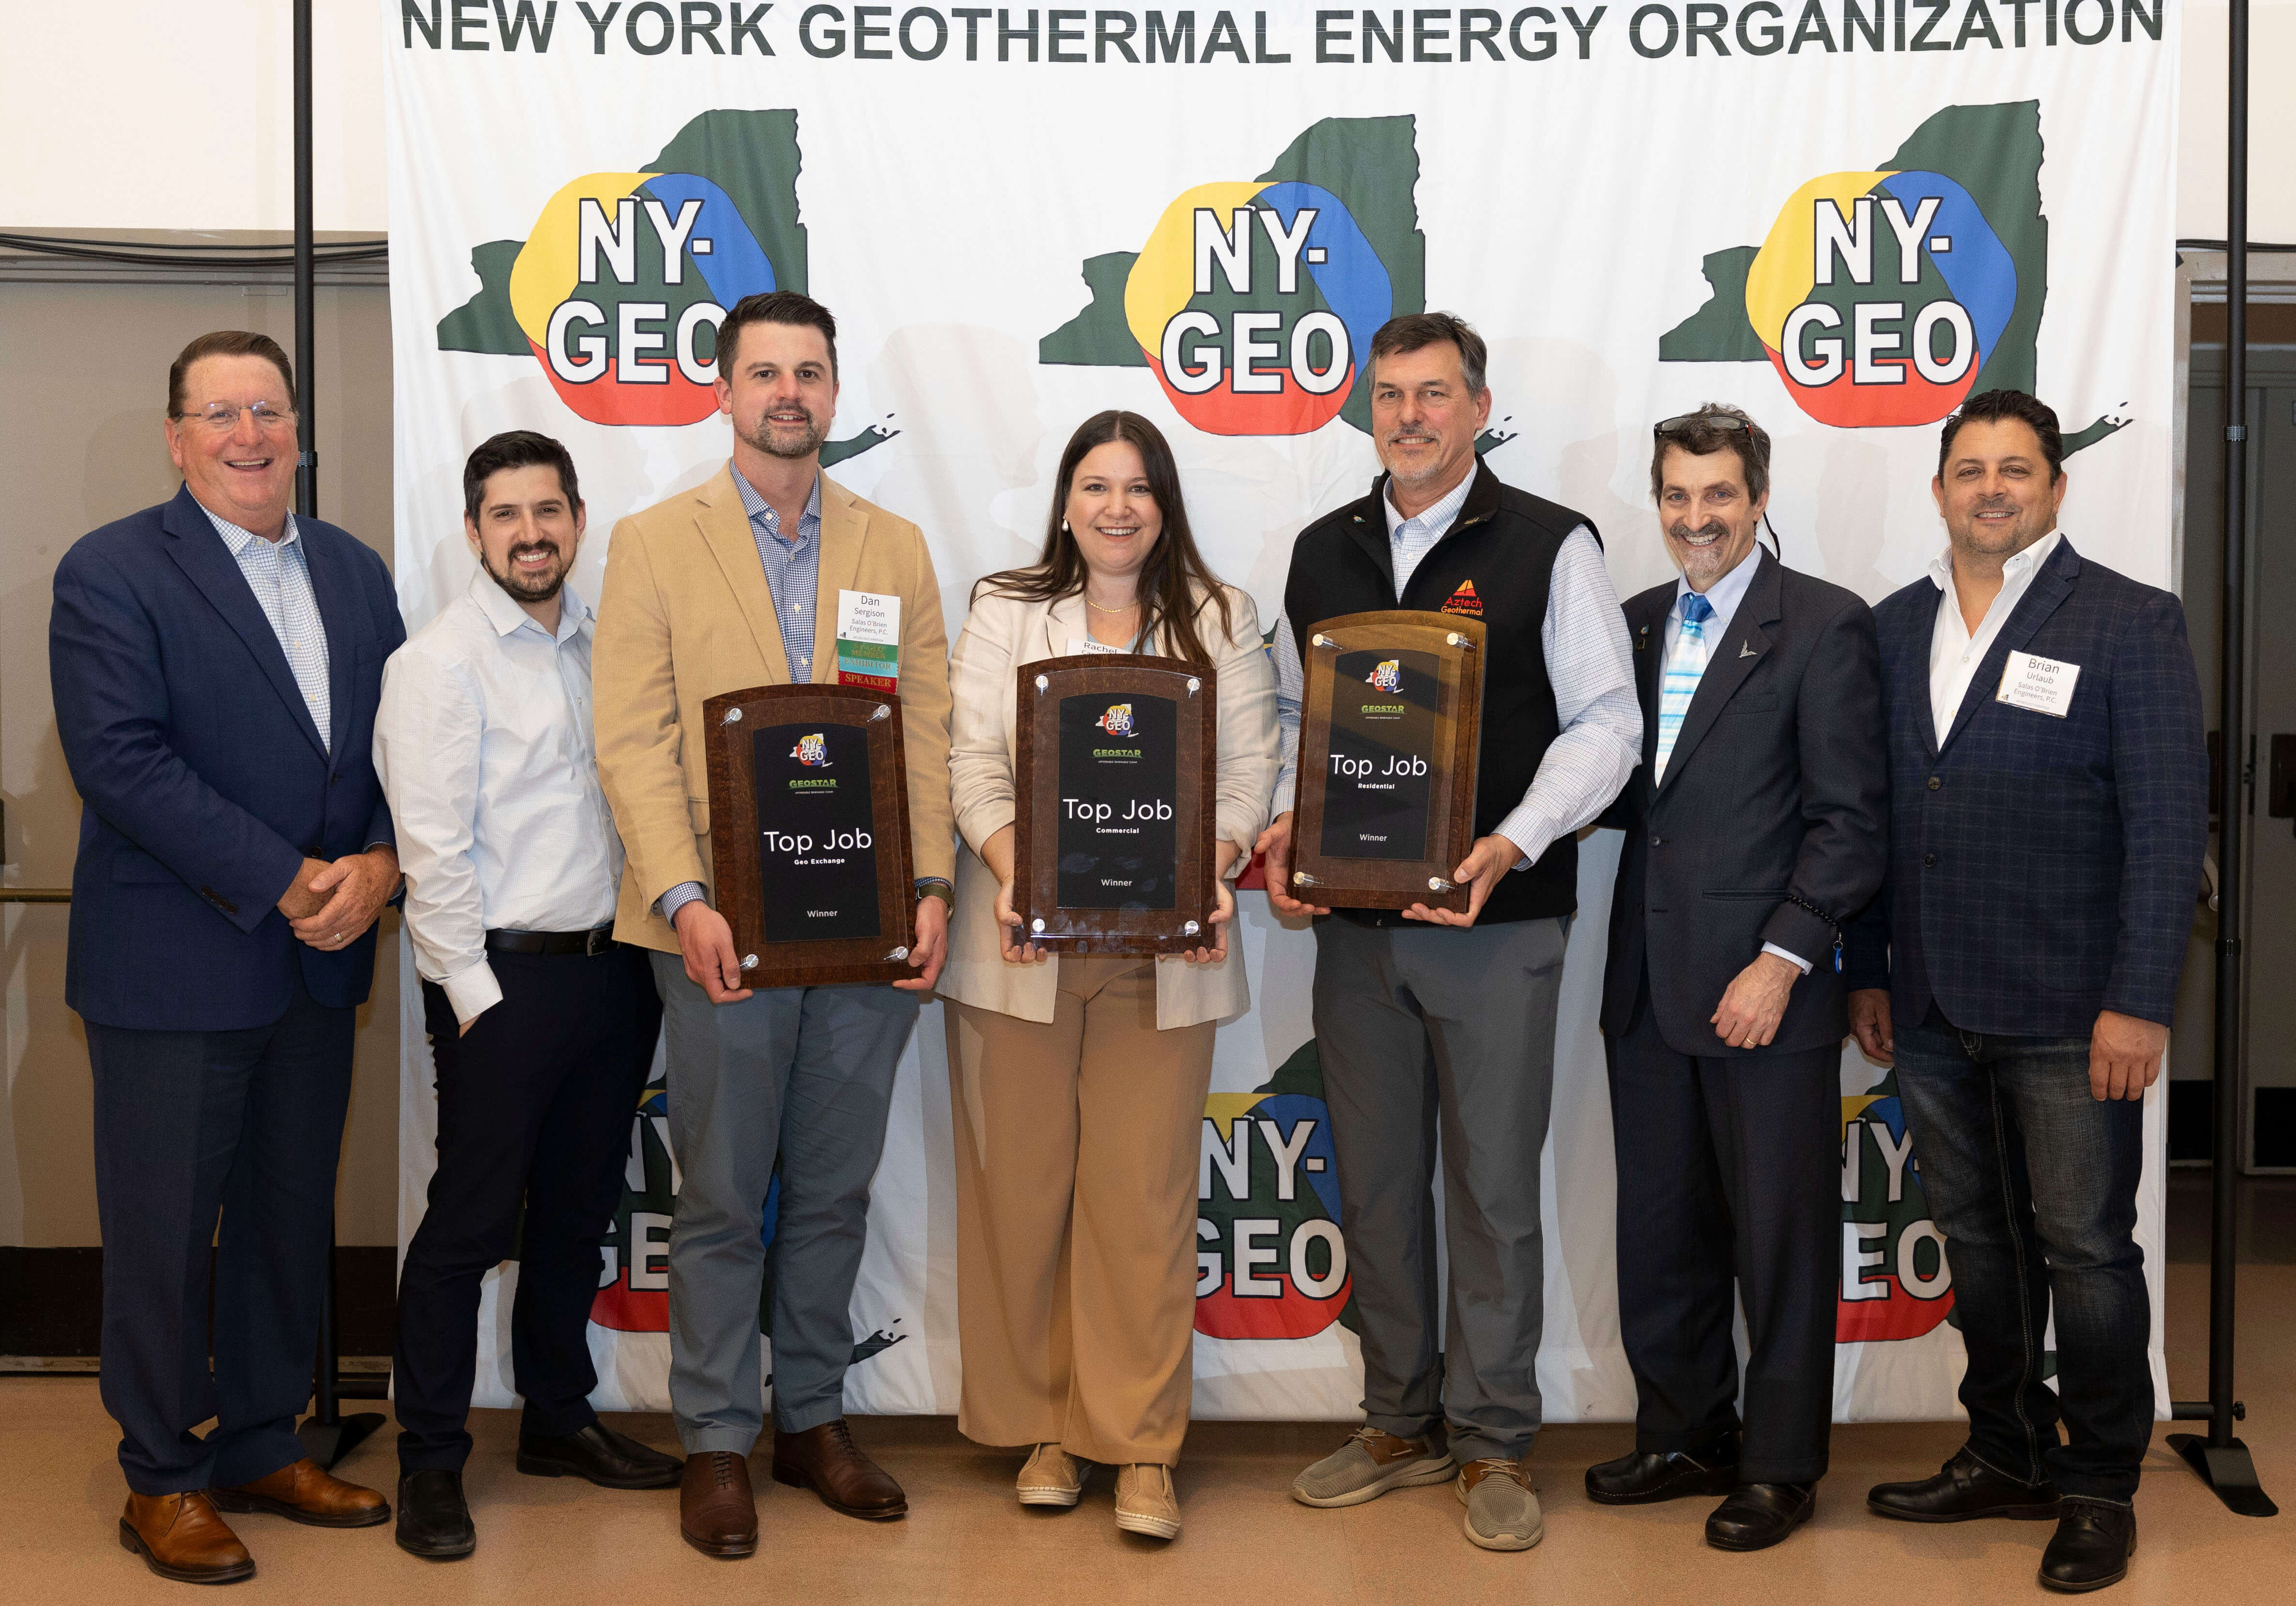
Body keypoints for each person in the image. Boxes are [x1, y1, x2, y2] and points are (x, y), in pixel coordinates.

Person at [1258, 312, 1640, 1553]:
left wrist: (1511, 840)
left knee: (1490, 1190)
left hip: (1493, 920)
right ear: (1366, 409)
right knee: (1374, 1183)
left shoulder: (1548, 543)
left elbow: (1606, 722)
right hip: (1355, 930)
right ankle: (1397, 1421)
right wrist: (1286, 825)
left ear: (1478, 407)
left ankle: (1493, 1437)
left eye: (1433, 394)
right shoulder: (1323, 550)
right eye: (1389, 395)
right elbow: (1289, 714)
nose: (1409, 416)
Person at [592, 290, 954, 1558]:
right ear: (724, 390)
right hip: (719, 933)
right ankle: (712, 1437)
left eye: (808, 372)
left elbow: (927, 730)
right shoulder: (652, 542)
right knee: (722, 1194)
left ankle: (810, 1419)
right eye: (764, 372)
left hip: (866, 933)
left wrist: (931, 887)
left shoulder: (895, 547)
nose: (787, 392)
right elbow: (632, 741)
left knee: (835, 1191)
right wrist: (682, 898)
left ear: (833, 392)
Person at [49, 331, 403, 1584]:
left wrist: (381, 861)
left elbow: (397, 742)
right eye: (219, 413)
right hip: (176, 965)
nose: (248, 433)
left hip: (318, 963)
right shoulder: (110, 571)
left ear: (298, 427)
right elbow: (122, 760)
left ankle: (261, 1443)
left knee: (283, 1219)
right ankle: (161, 1474)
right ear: (176, 436)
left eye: (268, 408)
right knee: (161, 1234)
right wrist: (289, 877)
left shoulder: (354, 569)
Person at [1847, 391, 2207, 1593]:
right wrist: (1867, 967)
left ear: (2056, 486)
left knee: (2087, 1249)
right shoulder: (1894, 626)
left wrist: (2139, 998)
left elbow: (2167, 825)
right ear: (1938, 489)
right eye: (1969, 469)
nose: (1990, 487)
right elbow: (1875, 816)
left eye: (2015, 469)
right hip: (1928, 1005)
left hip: (2072, 1008)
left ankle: (2100, 1482)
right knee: (1977, 1244)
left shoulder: (2127, 620)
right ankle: (2005, 1450)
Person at [938, 411, 1278, 1542]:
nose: (1116, 506)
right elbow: (971, 763)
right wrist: (1015, 875)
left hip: (1163, 958)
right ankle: (1046, 1426)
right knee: (1021, 1194)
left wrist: (1209, 872)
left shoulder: (1222, 617)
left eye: (1137, 486)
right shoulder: (1004, 607)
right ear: (1066, 501)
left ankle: (1137, 1441)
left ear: (1164, 503)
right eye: (1095, 484)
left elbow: (1247, 774)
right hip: (1022, 947)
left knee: (1142, 1202)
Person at [375, 431, 682, 1558]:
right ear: (473, 531)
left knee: (576, 1211)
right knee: (467, 1223)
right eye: (505, 514)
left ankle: (556, 1416)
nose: (531, 533)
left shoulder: (609, 646)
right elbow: (432, 849)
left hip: (616, 971)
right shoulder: (438, 663)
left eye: (548, 510)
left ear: (579, 519)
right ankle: (431, 1455)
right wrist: (474, 998)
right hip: (502, 984)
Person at [1587, 406, 1885, 1550]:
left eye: (1717, 494)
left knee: (1780, 1242)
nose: (1695, 517)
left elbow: (1850, 823)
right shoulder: (1632, 622)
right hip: (1646, 986)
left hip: (1766, 990)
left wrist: (1781, 958)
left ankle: (1780, 1463)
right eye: (1676, 495)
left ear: (1758, 498)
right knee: (1661, 1232)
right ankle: (1683, 1431)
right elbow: (1617, 786)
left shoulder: (1822, 623)